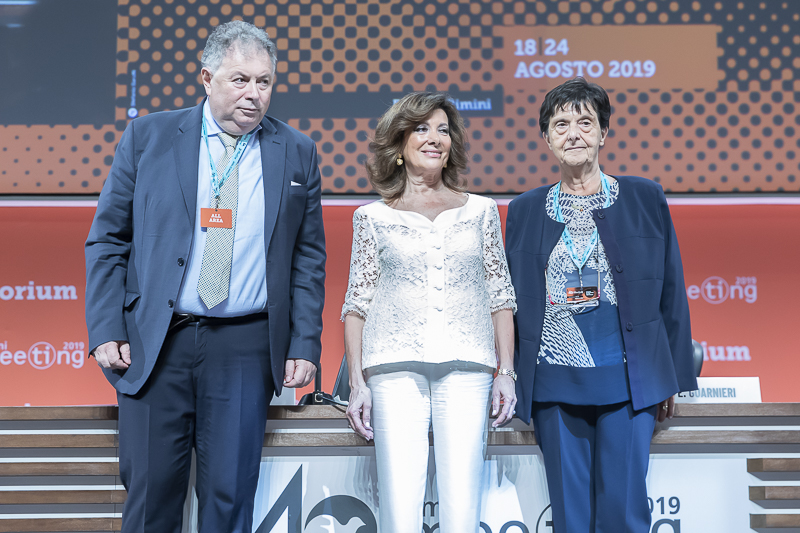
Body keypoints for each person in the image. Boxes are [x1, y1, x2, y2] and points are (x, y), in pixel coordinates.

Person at [84, 21, 325, 533]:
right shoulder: (148, 136)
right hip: (156, 343)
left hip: (244, 346)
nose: (253, 95)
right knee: (150, 502)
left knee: (230, 500)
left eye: (264, 82)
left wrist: (304, 342)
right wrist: (106, 328)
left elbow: (307, 257)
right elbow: (108, 239)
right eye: (240, 80)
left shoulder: (297, 151)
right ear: (206, 77)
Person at [505, 77, 697, 533]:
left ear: (604, 133)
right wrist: (507, 375)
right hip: (553, 382)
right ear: (546, 137)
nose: (574, 133)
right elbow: (508, 299)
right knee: (570, 518)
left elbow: (671, 287)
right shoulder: (525, 209)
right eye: (561, 124)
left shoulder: (645, 197)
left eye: (585, 122)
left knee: (624, 513)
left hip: (630, 383)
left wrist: (670, 374)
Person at [342, 92, 517, 533]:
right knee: (400, 514)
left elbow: (500, 295)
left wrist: (506, 372)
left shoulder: (481, 211)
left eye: (443, 130)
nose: (434, 138)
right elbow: (356, 304)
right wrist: (357, 382)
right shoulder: (372, 217)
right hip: (393, 371)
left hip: (467, 369)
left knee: (461, 513)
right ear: (398, 144)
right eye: (421, 128)